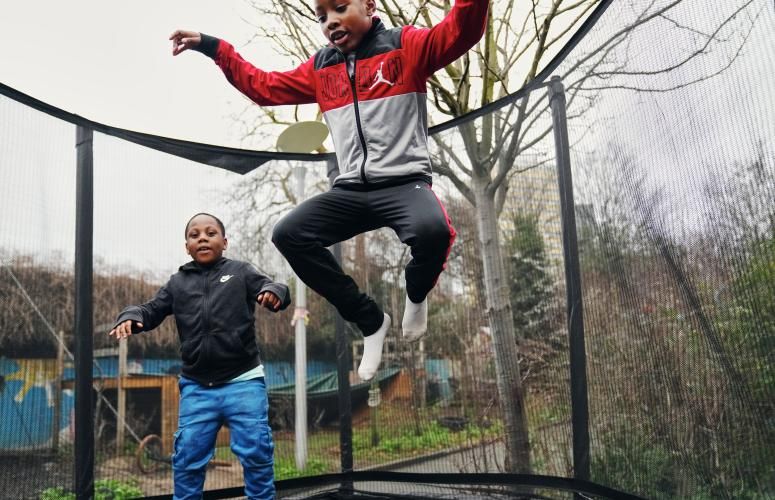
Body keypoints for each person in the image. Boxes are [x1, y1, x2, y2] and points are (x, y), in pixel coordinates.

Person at [169, 0, 488, 381]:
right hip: (352, 188)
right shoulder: (322, 68)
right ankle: (370, 321)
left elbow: (462, 30)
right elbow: (264, 87)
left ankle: (416, 295)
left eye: (339, 9)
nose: (331, 21)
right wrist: (213, 47)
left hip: (404, 182)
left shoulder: (406, 46)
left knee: (432, 230)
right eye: (322, 16)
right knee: (289, 234)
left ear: (369, 6)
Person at [109, 213, 290, 500]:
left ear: (224, 241)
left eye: (210, 233)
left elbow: (272, 285)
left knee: (256, 450)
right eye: (195, 235)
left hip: (243, 381)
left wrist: (274, 291)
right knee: (188, 457)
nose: (202, 238)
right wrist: (131, 316)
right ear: (187, 246)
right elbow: (151, 309)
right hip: (197, 387)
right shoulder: (177, 283)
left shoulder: (241, 272)